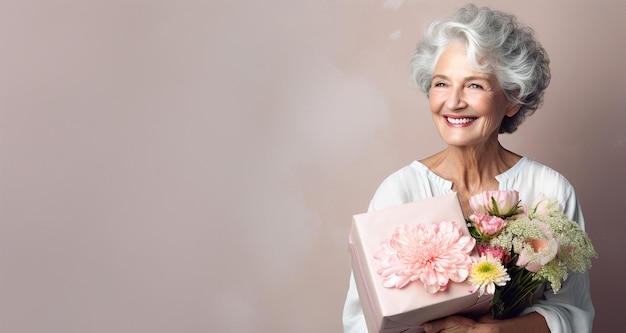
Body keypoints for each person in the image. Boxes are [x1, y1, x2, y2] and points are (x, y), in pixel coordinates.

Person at [342, 4, 594, 333]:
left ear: (513, 99)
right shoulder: (399, 190)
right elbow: (360, 320)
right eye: (441, 84)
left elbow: (573, 312)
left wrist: (495, 332)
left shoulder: (549, 189)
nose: (454, 102)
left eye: (474, 85)